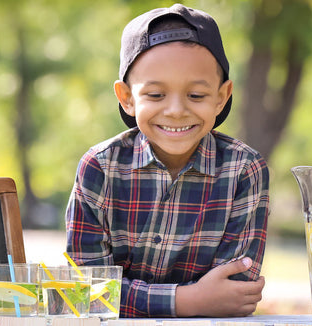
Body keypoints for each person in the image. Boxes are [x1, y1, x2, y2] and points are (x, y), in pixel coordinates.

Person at [65, 4, 268, 318]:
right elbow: (85, 291)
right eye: (156, 95)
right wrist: (187, 301)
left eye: (196, 96)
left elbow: (233, 292)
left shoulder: (244, 170)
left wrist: (123, 295)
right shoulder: (100, 168)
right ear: (127, 98)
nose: (176, 110)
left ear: (222, 96)